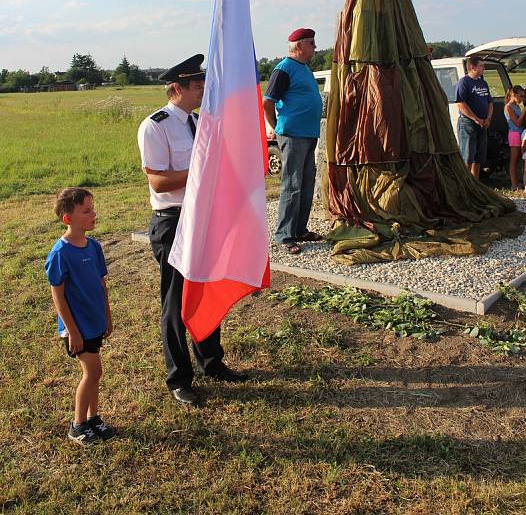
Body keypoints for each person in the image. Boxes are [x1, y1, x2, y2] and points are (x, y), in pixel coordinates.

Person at [137, 54, 246, 406]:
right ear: (176, 88)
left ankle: (212, 361)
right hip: (174, 220)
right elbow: (157, 181)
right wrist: (200, 170)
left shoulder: (199, 122)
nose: (202, 92)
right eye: (198, 86)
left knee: (205, 291)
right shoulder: (155, 126)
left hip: (204, 218)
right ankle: (179, 377)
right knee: (175, 300)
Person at [45, 187, 115, 446]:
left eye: (93, 209)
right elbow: (58, 296)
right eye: (86, 211)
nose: (93, 214)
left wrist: (107, 317)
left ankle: (93, 418)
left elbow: (101, 285)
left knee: (94, 374)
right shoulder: (60, 254)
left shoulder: (94, 247)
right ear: (68, 219)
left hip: (95, 324)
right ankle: (77, 425)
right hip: (77, 329)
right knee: (93, 372)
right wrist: (72, 331)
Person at [263, 28, 323, 255]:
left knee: (306, 183)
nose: (315, 47)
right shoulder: (284, 69)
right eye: (311, 43)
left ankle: (299, 229)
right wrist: (277, 127)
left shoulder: (304, 68)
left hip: (308, 134)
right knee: (292, 185)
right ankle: (285, 234)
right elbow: (267, 102)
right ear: (298, 46)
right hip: (293, 134)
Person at [455, 56, 493, 179]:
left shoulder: (483, 82)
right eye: (481, 65)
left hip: (483, 123)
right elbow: (461, 103)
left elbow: (489, 102)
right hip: (468, 124)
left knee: (478, 158)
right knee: (468, 157)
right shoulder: (464, 82)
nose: (484, 68)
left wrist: (488, 118)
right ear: (473, 67)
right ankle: (465, 185)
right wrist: (475, 118)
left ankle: (474, 184)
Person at [504, 85, 526, 189]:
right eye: (521, 96)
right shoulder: (508, 107)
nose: (522, 99)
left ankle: (523, 182)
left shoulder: (516, 105)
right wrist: (524, 112)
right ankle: (514, 185)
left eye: (524, 97)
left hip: (520, 134)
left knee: (520, 159)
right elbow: (517, 123)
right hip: (514, 135)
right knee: (514, 160)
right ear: (514, 95)